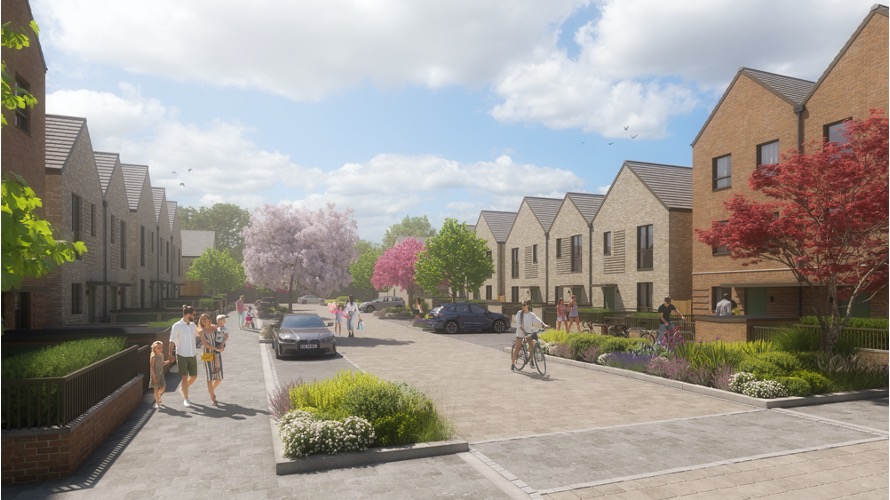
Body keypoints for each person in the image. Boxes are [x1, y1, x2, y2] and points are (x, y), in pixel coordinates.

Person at [168, 305, 198, 408]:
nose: (194, 316)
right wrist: (170, 353)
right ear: (188, 314)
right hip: (181, 354)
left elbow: (200, 333)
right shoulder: (177, 325)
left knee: (193, 376)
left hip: (192, 354)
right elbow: (172, 340)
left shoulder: (193, 325)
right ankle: (186, 399)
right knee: (184, 377)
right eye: (193, 315)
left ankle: (182, 389)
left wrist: (211, 327)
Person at [512, 300, 548, 371]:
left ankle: (531, 362)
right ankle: (512, 364)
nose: (523, 306)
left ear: (527, 306)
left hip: (528, 332)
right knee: (517, 348)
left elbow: (538, 320)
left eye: (524, 305)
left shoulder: (531, 315)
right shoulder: (519, 313)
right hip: (520, 333)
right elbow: (519, 324)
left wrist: (544, 325)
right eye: (522, 305)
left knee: (532, 346)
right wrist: (524, 331)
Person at [198, 313, 225, 406]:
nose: (203, 320)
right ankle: (213, 398)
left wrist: (222, 346)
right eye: (202, 319)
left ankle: (210, 390)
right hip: (206, 354)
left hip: (216, 354)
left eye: (205, 318)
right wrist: (217, 349)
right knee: (209, 377)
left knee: (219, 377)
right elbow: (205, 344)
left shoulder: (214, 329)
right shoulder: (201, 331)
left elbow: (222, 335)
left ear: (209, 319)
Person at [149, 341, 171, 409]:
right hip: (155, 375)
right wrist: (154, 376)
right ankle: (157, 403)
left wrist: (169, 361)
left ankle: (158, 396)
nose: (160, 349)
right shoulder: (153, 356)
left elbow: (163, 363)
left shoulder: (161, 355)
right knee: (156, 389)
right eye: (158, 348)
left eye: (161, 347)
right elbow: (151, 367)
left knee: (163, 387)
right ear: (154, 348)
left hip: (161, 374)